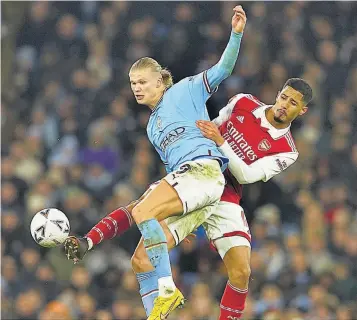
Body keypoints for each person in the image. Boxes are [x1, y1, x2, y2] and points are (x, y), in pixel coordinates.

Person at [66, 78, 312, 319]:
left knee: (241, 272)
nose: (284, 104)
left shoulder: (288, 150)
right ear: (278, 93)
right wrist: (186, 200)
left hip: (227, 196)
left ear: (302, 111)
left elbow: (246, 174)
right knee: (141, 256)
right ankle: (89, 241)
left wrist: (220, 141)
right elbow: (205, 131)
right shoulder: (243, 102)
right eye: (284, 97)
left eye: (292, 103)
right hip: (199, 174)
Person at [65, 5, 247, 319]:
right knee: (140, 259)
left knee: (142, 209)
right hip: (191, 186)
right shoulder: (151, 127)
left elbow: (223, 69)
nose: (137, 87)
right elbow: (171, 172)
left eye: (143, 82)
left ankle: (167, 287)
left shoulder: (185, 91)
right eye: (133, 83)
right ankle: (156, 314)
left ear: (160, 81)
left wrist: (236, 34)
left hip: (204, 171)